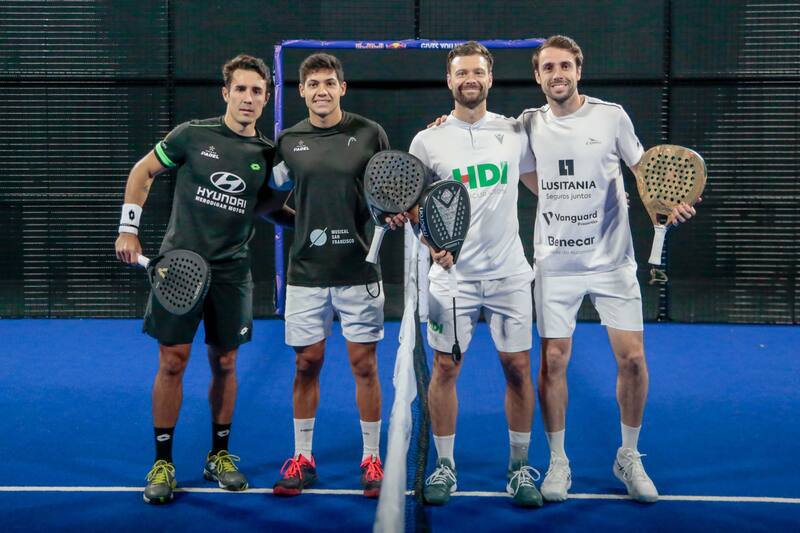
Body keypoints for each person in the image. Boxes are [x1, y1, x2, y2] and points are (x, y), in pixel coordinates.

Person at [519, 35, 697, 503]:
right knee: (554, 360)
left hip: (612, 262)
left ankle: (629, 456)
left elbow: (645, 173)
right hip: (556, 265)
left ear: (579, 70)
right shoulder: (527, 124)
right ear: (538, 76)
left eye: (565, 66)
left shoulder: (611, 115)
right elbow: (522, 171)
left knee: (633, 360)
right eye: (548, 67)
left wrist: (667, 206)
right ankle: (558, 461)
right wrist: (559, 202)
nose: (557, 74)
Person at [115, 54, 285, 504]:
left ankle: (219, 455)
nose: (248, 98)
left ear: (266, 99)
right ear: (226, 93)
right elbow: (142, 172)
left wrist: (305, 224)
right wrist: (128, 228)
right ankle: (163, 462)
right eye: (241, 89)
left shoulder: (266, 155)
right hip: (179, 266)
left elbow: (264, 206)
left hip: (232, 272)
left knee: (225, 362)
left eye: (257, 91)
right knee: (173, 360)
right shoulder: (192, 134)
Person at [405, 41, 543, 507]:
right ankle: (444, 465)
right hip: (452, 281)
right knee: (445, 368)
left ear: (489, 78)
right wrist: (430, 244)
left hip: (508, 275)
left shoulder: (514, 132)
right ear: (449, 80)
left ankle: (520, 467)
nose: (470, 79)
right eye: (461, 72)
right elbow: (413, 206)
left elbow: (544, 187)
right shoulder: (428, 140)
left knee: (519, 369)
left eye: (478, 72)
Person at [268, 53, 390, 498]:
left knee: (364, 365)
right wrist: (295, 224)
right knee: (307, 363)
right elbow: (270, 196)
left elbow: (388, 190)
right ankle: (303, 458)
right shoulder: (288, 141)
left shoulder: (368, 133)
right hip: (305, 274)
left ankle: (371, 459)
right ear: (301, 91)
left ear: (343, 87)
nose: (321, 90)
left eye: (329, 82)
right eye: (313, 83)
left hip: (359, 272)